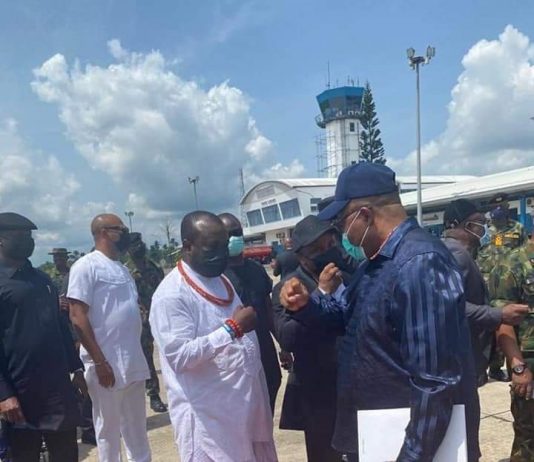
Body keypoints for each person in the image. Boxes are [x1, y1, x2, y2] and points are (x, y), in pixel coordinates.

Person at [279, 163, 480, 462]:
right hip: (379, 435)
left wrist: (412, 456)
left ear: (364, 215)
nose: (342, 232)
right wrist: (306, 306)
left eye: (342, 221)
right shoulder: (375, 264)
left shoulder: (420, 263)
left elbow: (435, 381)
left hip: (405, 442)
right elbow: (349, 318)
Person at [150, 211, 277, 462]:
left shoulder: (220, 280)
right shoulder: (171, 295)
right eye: (212, 247)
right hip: (208, 421)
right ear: (188, 246)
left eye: (223, 246)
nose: (221, 254)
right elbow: (180, 357)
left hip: (241, 412)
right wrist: (232, 329)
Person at [0, 212, 86, 461]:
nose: (28, 240)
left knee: (66, 454)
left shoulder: (42, 279)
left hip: (57, 391)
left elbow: (59, 327)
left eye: (29, 235)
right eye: (20, 236)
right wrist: (4, 394)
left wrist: (76, 368)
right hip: (20, 394)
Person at [67, 214, 151, 462]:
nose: (125, 233)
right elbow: (77, 316)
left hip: (132, 360)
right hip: (106, 365)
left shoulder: (122, 268)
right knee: (109, 431)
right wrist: (100, 362)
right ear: (104, 232)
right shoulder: (86, 266)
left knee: (137, 428)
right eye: (121, 229)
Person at [272, 215, 345, 462]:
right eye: (318, 249)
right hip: (318, 392)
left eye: (331, 244)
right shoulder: (288, 287)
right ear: (302, 256)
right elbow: (287, 337)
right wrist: (321, 293)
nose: (328, 252)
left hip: (352, 386)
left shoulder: (347, 276)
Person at [442, 199, 528, 385]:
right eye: (480, 222)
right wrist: (498, 314)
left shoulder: (463, 252)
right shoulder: (455, 255)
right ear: (461, 225)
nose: (485, 228)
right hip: (459, 360)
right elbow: (446, 306)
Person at [218, 213, 283, 412]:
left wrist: (282, 344)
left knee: (272, 384)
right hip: (235, 352)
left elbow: (267, 307)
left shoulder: (256, 269)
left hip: (263, 345)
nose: (234, 238)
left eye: (237, 232)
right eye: (228, 234)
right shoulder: (216, 276)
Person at [489, 245, 534, 461]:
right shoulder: (512, 264)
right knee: (528, 433)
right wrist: (518, 367)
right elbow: (502, 321)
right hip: (528, 360)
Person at [478, 193, 528, 382]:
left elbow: (525, 254)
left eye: (503, 206)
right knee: (487, 329)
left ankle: (503, 366)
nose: (499, 210)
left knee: (508, 326)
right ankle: (486, 367)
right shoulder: (483, 231)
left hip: (509, 285)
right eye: (495, 207)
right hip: (486, 284)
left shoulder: (517, 228)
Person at [125, 232, 167, 413]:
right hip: (140, 322)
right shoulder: (126, 272)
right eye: (134, 244)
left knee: (168, 351)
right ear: (128, 249)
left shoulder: (153, 267)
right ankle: (154, 394)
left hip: (160, 317)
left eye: (140, 242)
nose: (139, 246)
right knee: (146, 357)